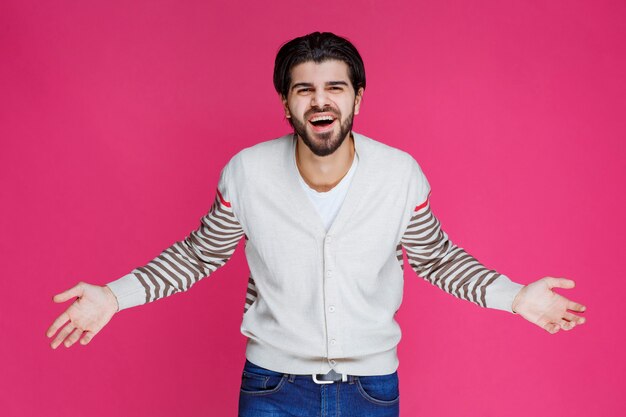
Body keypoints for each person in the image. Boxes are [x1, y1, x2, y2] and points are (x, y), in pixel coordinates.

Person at [46, 32, 587, 416]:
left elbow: (436, 257)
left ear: (357, 99)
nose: (320, 100)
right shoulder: (248, 172)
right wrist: (113, 296)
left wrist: (515, 296)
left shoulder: (399, 175)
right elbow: (198, 254)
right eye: (304, 89)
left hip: (371, 389)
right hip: (272, 387)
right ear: (286, 102)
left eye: (335, 87)